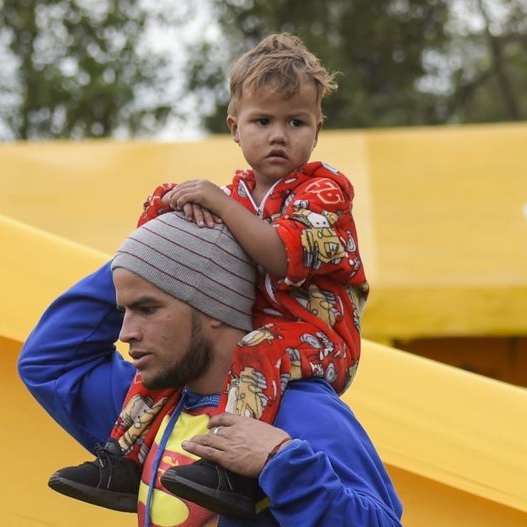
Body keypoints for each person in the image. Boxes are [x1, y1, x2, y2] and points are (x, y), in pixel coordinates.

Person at [46, 33, 369, 518]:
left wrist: (283, 464)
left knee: (256, 345)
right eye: (263, 121)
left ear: (317, 130)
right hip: (258, 335)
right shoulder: (237, 192)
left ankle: (231, 470)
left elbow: (281, 255)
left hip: (315, 338)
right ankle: (121, 458)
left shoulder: (325, 193)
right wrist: (169, 217)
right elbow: (47, 359)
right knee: (163, 356)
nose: (279, 135)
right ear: (234, 128)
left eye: (296, 122)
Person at [19, 212, 402, 526]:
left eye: (148, 309)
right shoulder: (145, 411)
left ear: (214, 307)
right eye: (124, 310)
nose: (125, 333)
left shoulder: (302, 409)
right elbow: (50, 361)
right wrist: (153, 238)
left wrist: (281, 463)